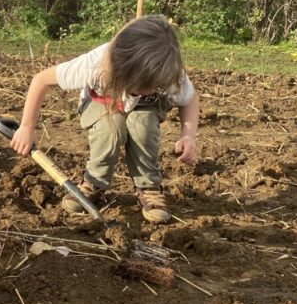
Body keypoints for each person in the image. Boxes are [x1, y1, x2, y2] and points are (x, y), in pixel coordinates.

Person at [10, 15, 200, 224]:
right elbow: (41, 80)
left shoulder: (166, 69)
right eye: (146, 85)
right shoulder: (94, 66)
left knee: (142, 126)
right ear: (124, 70)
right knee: (111, 129)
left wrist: (188, 136)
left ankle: (149, 188)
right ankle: (94, 183)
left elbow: (189, 100)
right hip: (100, 100)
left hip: (145, 107)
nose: (153, 88)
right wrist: (26, 127)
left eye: (155, 85)